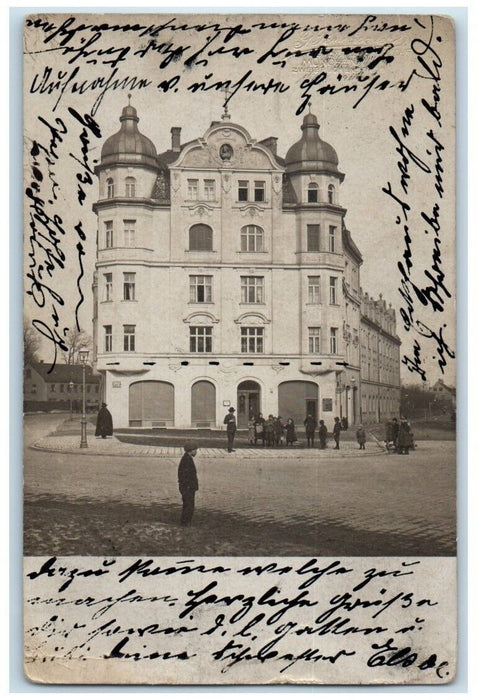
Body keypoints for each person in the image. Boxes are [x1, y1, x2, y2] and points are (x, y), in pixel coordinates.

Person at [178, 441, 199, 526]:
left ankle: (186, 522)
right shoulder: (187, 460)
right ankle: (185, 523)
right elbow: (185, 476)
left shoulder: (187, 458)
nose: (196, 452)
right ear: (191, 450)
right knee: (188, 505)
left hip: (188, 487)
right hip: (187, 488)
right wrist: (188, 487)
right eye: (195, 450)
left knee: (188, 505)